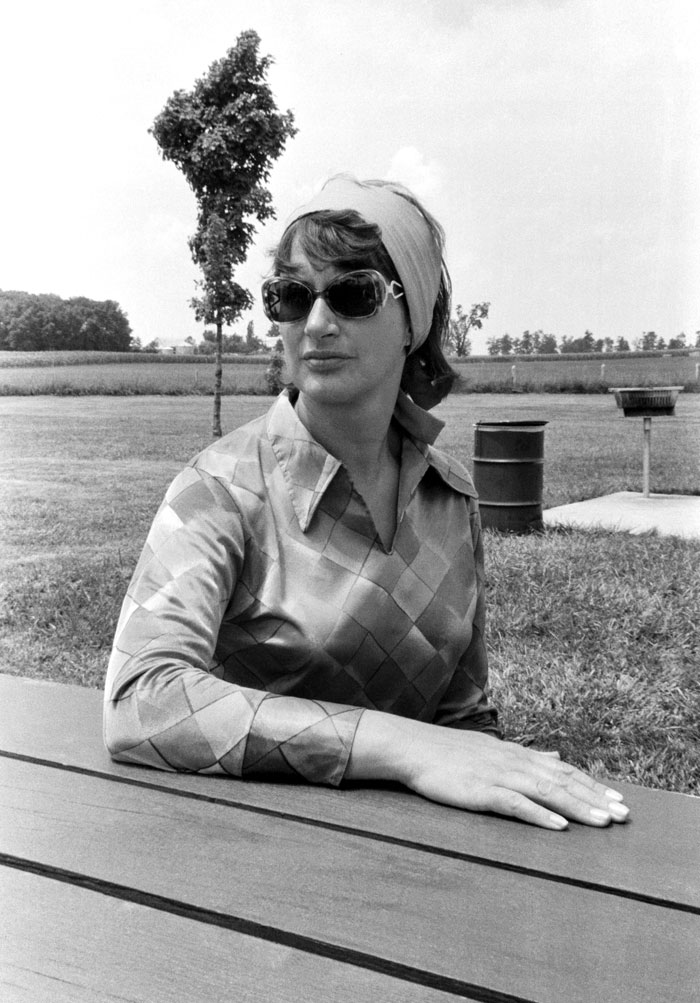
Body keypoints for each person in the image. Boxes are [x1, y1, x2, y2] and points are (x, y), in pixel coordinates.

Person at [104, 175, 629, 831]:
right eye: (292, 297)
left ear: (415, 320)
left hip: (417, 866)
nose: (317, 323)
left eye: (353, 293)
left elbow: (461, 716)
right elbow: (140, 699)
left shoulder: (450, 498)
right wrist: (397, 746)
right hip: (241, 855)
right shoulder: (218, 489)